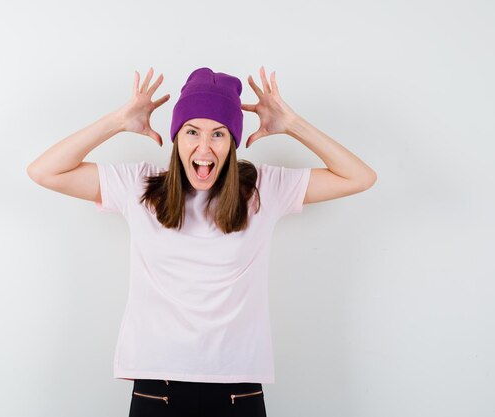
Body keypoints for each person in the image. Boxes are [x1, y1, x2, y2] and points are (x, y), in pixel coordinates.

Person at [27, 66, 377, 417]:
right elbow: (44, 171)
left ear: (233, 142)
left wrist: (292, 124)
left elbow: (360, 177)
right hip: (156, 390)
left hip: (237, 391)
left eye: (219, 134)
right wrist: (117, 121)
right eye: (192, 131)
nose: (204, 147)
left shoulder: (261, 189)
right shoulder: (139, 185)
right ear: (177, 136)